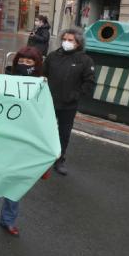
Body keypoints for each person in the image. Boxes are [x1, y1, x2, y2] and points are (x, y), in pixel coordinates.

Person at [0, 46, 45, 237]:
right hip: (2, 138)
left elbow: (45, 116)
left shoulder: (41, 86)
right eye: (21, 62)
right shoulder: (4, 81)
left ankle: (9, 220)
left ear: (36, 64)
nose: (24, 65)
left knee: (15, 182)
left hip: (24, 142)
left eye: (29, 62)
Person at [43, 28, 95, 176]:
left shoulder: (85, 60)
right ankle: (43, 157)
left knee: (63, 133)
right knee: (46, 131)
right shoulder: (53, 56)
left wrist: (75, 95)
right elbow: (43, 74)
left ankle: (59, 160)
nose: (66, 42)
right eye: (64, 39)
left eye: (70, 40)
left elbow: (89, 82)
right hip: (49, 102)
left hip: (68, 105)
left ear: (78, 43)